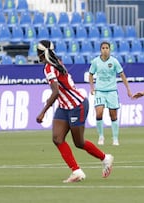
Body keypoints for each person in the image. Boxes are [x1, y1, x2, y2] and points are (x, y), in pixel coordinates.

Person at [36, 40, 114, 183]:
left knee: (79, 142)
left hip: (77, 105)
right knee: (57, 138)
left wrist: (43, 111)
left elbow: (55, 92)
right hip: (65, 106)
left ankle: (105, 158)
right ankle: (76, 171)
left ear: (40, 54)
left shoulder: (49, 68)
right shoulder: (56, 62)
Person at [89, 41, 132, 146]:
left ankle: (115, 138)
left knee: (113, 115)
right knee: (99, 112)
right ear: (100, 50)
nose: (105, 50)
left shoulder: (114, 61)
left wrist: (128, 89)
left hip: (112, 91)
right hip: (99, 91)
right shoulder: (95, 61)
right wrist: (92, 87)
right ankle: (101, 136)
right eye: (103, 48)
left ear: (110, 49)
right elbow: (90, 74)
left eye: (107, 48)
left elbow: (122, 75)